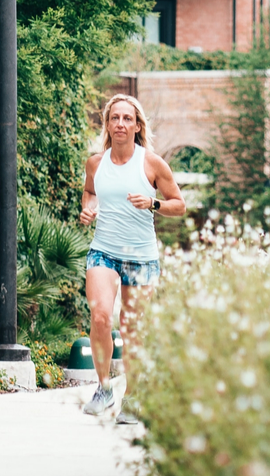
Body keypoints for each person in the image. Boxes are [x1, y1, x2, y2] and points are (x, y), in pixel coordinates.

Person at [78, 94, 186, 424]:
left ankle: (133, 397)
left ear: (137, 125)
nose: (121, 124)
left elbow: (179, 205)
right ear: (107, 125)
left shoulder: (152, 163)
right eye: (115, 118)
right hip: (104, 250)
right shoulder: (96, 163)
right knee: (100, 316)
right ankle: (104, 387)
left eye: (127, 118)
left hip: (141, 257)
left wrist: (152, 204)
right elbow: (90, 191)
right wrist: (88, 208)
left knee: (133, 329)